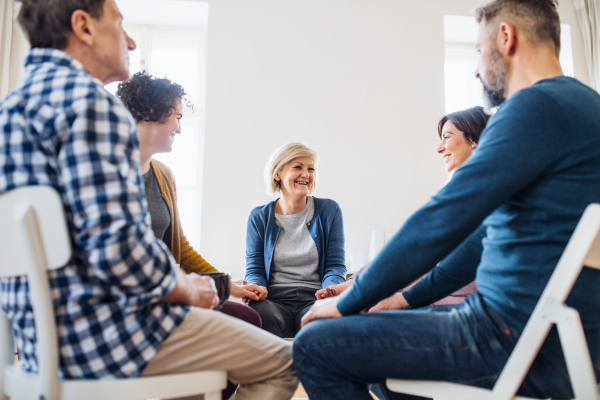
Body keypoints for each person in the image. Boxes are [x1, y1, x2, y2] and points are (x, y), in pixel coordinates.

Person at [294, 1, 600, 399]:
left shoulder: (534, 107)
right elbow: (479, 241)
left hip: (507, 337)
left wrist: (352, 298)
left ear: (506, 37)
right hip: (560, 338)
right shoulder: (584, 108)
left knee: (316, 344)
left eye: (478, 49)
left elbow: (442, 218)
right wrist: (404, 298)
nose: (476, 68)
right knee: (382, 370)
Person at [0, 1, 297, 399]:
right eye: (120, 24)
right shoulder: (93, 107)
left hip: (38, 343)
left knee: (195, 380)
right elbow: (119, 252)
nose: (131, 40)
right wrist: (191, 289)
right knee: (290, 360)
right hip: (104, 337)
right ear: (83, 26)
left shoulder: (9, 111)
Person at [116, 71, 262, 326]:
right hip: (143, 297)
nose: (180, 128)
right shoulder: (107, 174)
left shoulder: (163, 175)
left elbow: (180, 249)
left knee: (249, 316)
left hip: (172, 289)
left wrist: (229, 286)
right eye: (177, 116)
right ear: (153, 112)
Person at [315, 107, 489, 307]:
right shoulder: (461, 188)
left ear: (474, 139)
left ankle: (357, 286)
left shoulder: (486, 191)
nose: (439, 148)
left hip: (463, 288)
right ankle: (356, 285)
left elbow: (454, 260)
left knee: (399, 273)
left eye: (447, 137)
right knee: (401, 260)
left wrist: (406, 288)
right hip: (445, 282)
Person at [245, 142, 347, 338]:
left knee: (322, 319)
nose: (306, 175)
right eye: (298, 167)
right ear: (277, 173)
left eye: (311, 169)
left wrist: (330, 291)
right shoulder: (259, 217)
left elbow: (335, 265)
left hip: (315, 297)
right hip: (273, 299)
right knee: (260, 315)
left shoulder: (329, 211)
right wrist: (256, 288)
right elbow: (254, 268)